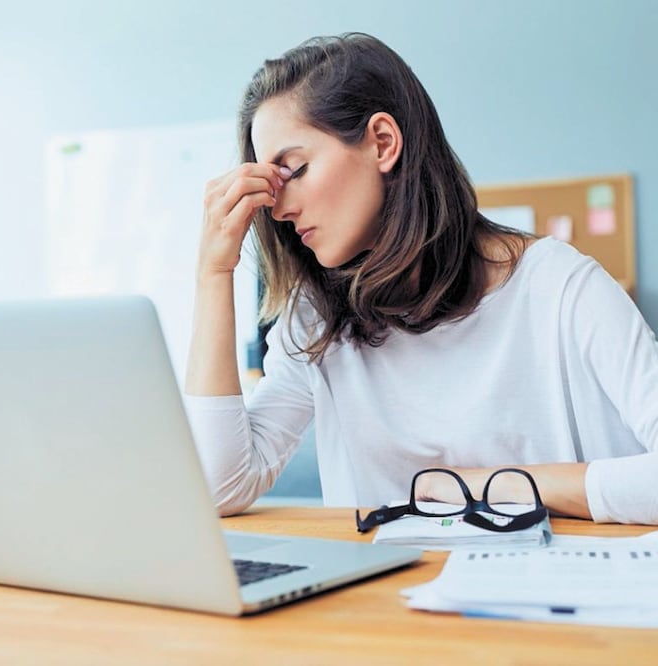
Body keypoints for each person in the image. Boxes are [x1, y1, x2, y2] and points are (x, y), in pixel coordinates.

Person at [184, 32, 658, 524]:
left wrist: (489, 486)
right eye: (271, 183)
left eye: (295, 170)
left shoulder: (560, 288)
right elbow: (220, 488)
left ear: (383, 143)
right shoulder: (316, 318)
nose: (278, 208)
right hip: (386, 601)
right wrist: (213, 273)